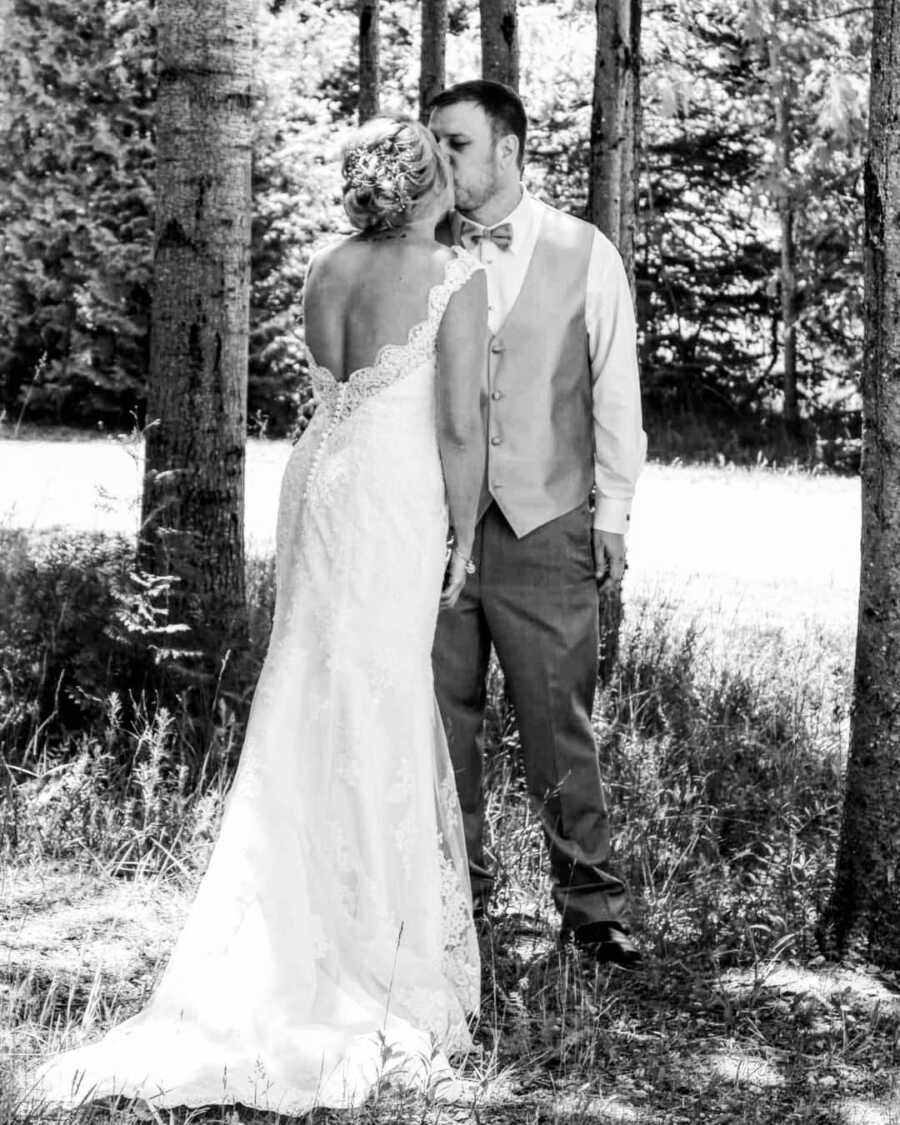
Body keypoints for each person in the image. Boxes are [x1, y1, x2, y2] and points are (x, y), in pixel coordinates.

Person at [27, 117, 488, 1116]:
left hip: (320, 479)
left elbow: (333, 389)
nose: (455, 177)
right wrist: (467, 536)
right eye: (441, 164)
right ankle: (373, 951)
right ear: (418, 187)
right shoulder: (454, 274)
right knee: (377, 691)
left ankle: (306, 918)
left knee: (311, 690)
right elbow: (458, 422)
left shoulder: (327, 269)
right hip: (395, 494)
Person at [429, 80, 646, 967]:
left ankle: (591, 905)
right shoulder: (418, 248)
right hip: (435, 525)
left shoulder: (583, 251)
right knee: (442, 721)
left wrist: (615, 513)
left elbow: (614, 390)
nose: (439, 160)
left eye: (456, 144)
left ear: (510, 149)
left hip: (547, 519)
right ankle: (456, 897)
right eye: (433, 143)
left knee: (561, 718)